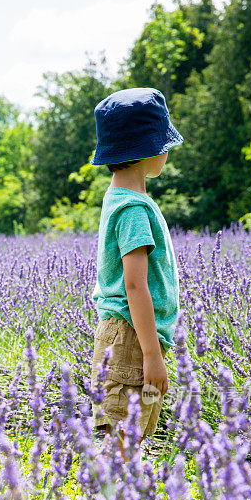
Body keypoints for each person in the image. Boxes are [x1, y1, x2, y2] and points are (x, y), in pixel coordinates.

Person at [89, 87, 184, 458]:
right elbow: (134, 284)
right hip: (131, 341)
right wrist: (151, 355)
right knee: (123, 434)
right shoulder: (132, 210)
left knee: (138, 425)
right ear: (147, 149)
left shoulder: (121, 200)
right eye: (163, 142)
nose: (167, 150)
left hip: (140, 337)